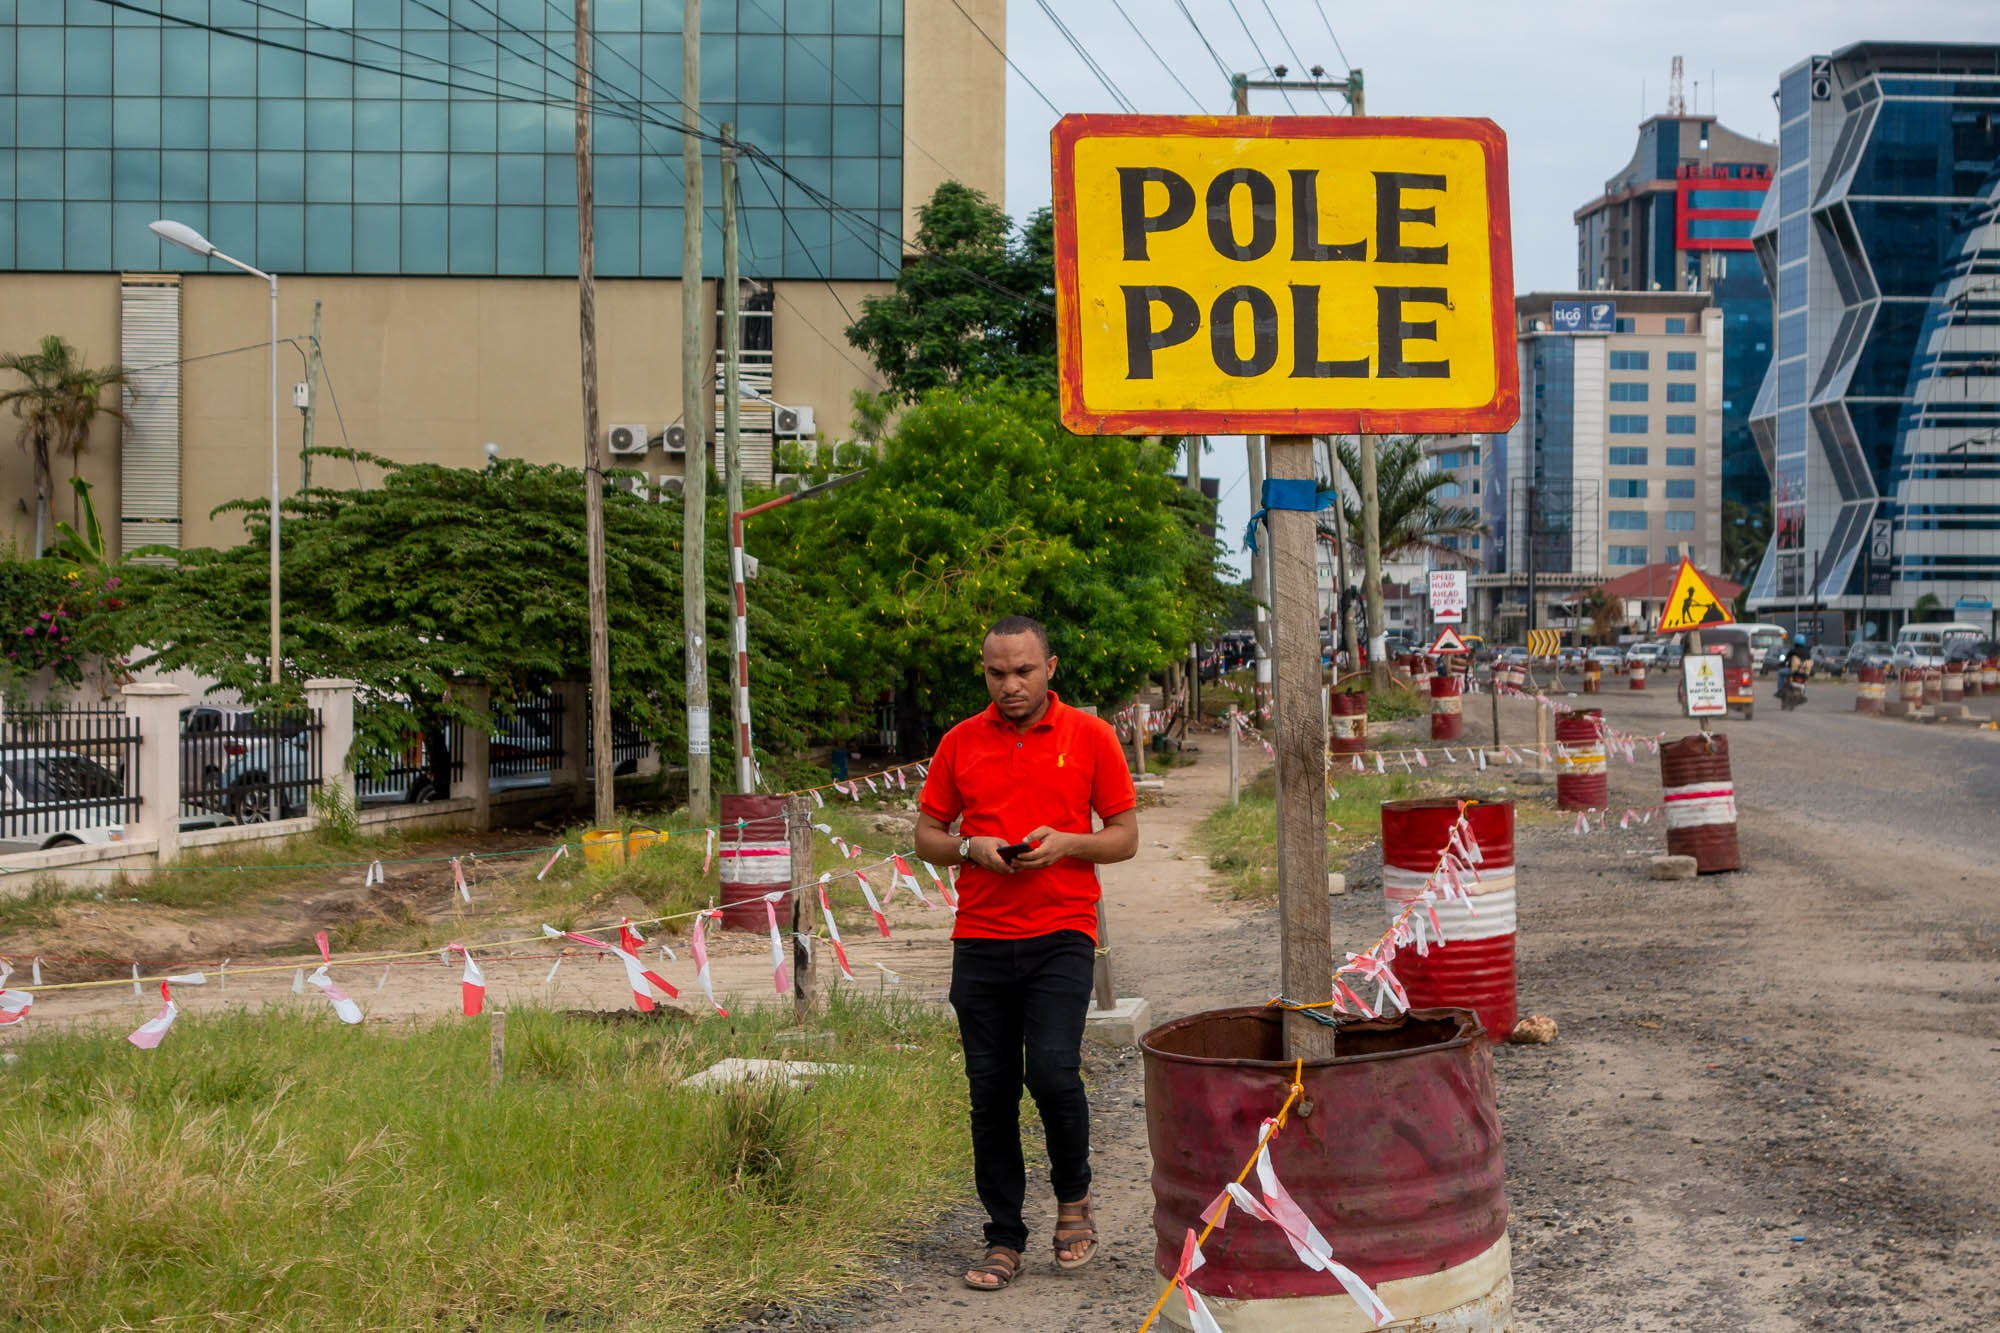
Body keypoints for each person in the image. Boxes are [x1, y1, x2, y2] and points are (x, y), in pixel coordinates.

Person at [914, 615, 1140, 1293]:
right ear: (983, 671)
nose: (1010, 685)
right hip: (979, 937)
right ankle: (1003, 1234)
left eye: (1023, 670)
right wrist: (967, 847)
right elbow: (927, 832)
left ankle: (1074, 1200)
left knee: (1050, 1069)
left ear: (1051, 667)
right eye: (996, 672)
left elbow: (1125, 835)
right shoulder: (960, 741)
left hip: (1062, 933)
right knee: (990, 1092)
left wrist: (1068, 843)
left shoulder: (1091, 736)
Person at [1778, 632, 1811, 701]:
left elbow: (1785, 661)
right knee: (1805, 679)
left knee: (1780, 673)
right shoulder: (1807, 652)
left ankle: (1780, 690)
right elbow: (1809, 662)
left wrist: (1781, 664)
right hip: (1803, 672)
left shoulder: (1793, 651)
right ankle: (1803, 691)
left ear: (1795, 641)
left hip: (1793, 672)